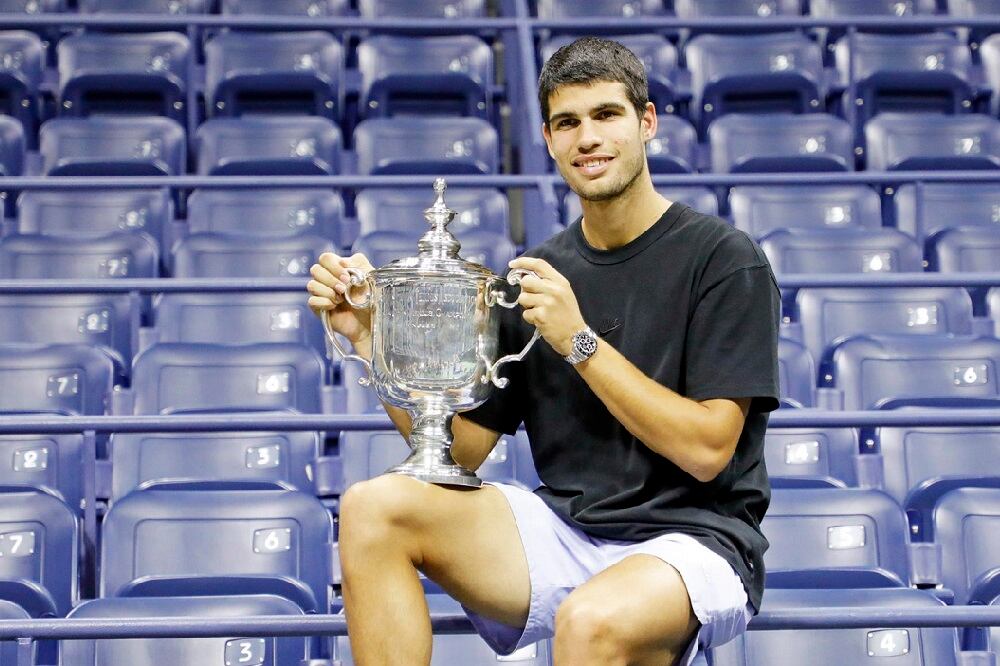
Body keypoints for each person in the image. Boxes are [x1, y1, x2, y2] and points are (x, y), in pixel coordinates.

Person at [307, 36, 780, 666]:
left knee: (587, 621)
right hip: (567, 529)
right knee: (373, 507)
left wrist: (578, 343)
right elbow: (463, 452)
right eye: (567, 123)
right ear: (551, 141)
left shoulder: (724, 259)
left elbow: (707, 451)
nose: (588, 137)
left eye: (606, 115)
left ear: (646, 123)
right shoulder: (538, 275)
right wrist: (369, 339)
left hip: (697, 540)